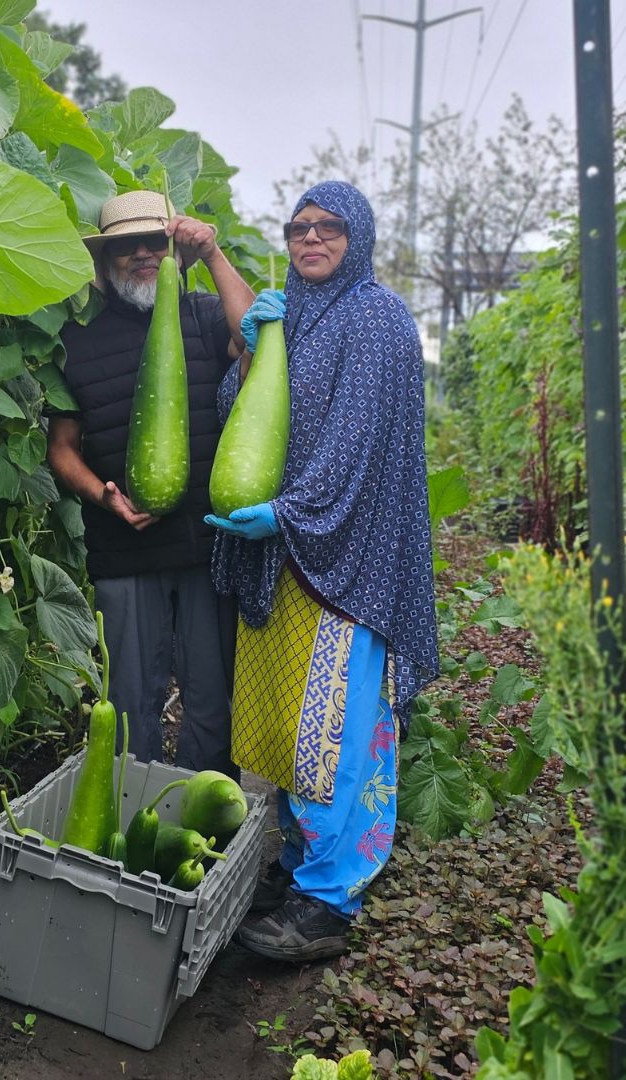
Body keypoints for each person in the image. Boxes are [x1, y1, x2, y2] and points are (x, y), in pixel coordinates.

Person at [205, 181, 439, 961]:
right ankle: (300, 866)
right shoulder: (293, 314)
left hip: (346, 559)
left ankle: (330, 902)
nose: (310, 239)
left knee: (332, 733)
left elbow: (357, 442)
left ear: (357, 236)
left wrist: (289, 514)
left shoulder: (376, 318)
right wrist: (252, 346)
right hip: (284, 559)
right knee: (284, 729)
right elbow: (239, 412)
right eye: (299, 227)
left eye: (328, 228)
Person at [47, 190, 255, 778]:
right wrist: (102, 495)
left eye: (153, 242)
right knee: (130, 703)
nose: (141, 253)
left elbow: (261, 340)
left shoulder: (208, 316)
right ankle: (132, 825)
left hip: (205, 545)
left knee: (212, 701)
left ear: (174, 251)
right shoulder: (76, 342)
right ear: (105, 259)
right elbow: (61, 449)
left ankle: (207, 825)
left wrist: (212, 254)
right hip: (123, 548)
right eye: (124, 246)